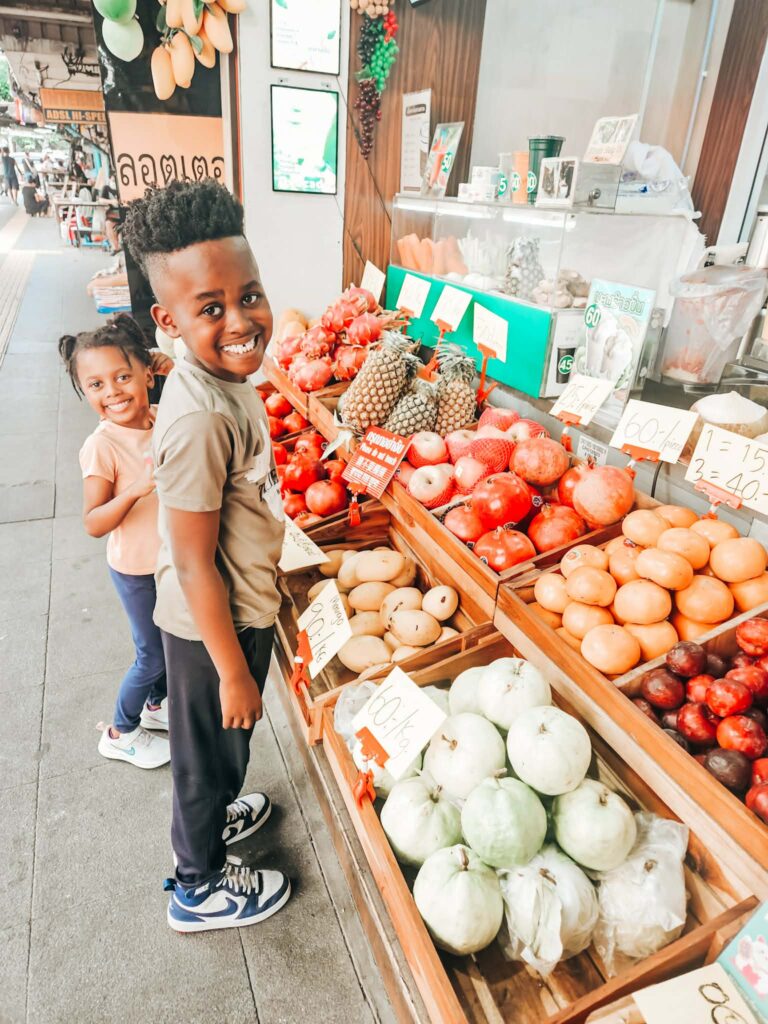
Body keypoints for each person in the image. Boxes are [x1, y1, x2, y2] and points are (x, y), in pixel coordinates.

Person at [123, 179, 291, 933]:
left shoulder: (227, 382)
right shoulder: (196, 416)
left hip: (235, 613)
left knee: (229, 747)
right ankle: (197, 885)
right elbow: (193, 564)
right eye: (211, 308)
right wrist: (228, 669)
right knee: (203, 763)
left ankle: (220, 812)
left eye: (249, 294)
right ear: (167, 319)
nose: (242, 320)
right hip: (204, 631)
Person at [58, 315, 172, 771]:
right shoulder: (101, 446)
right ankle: (121, 732)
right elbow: (92, 521)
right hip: (136, 569)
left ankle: (157, 705)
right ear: (85, 393)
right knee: (151, 654)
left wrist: (176, 370)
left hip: (169, 561)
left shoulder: (162, 417)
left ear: (148, 372)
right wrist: (134, 490)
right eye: (97, 385)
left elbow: (205, 406)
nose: (113, 392)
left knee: (169, 639)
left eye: (123, 376)